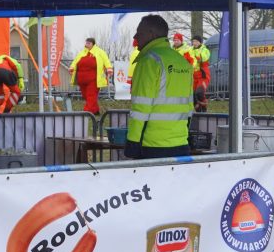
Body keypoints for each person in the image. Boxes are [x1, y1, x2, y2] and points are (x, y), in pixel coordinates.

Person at [125, 15, 193, 159]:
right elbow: (189, 107)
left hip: (152, 145)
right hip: (181, 143)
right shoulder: (183, 62)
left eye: (139, 32)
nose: (135, 36)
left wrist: (133, 142)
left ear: (151, 34)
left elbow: (140, 109)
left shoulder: (148, 62)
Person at [68, 37, 112, 115]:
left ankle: (86, 112)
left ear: (93, 44)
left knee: (91, 96)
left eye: (89, 43)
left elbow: (106, 60)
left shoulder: (100, 52)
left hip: (94, 79)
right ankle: (95, 110)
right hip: (81, 80)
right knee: (86, 96)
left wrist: (109, 68)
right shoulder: (82, 53)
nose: (87, 44)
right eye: (86, 43)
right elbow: (75, 61)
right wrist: (72, 67)